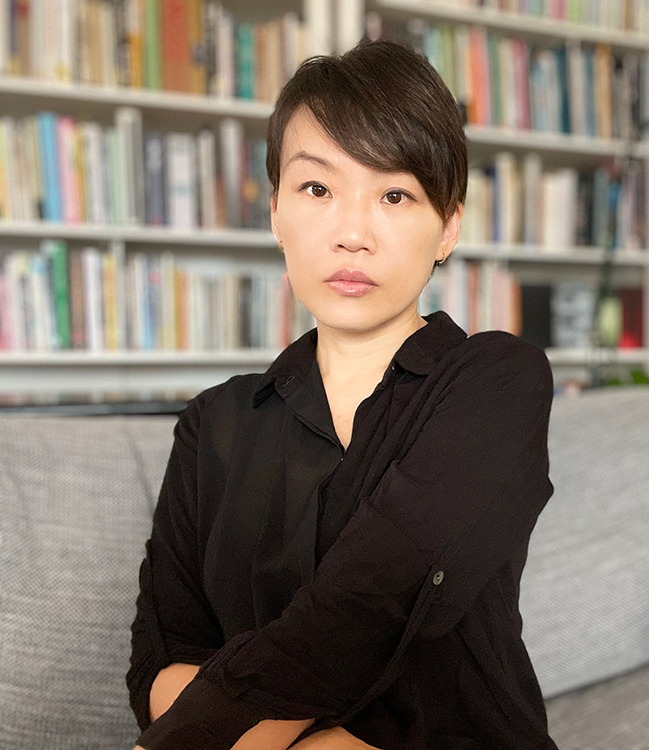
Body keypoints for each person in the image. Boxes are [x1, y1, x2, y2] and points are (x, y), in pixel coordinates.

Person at [126, 40, 557, 750]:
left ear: (448, 227)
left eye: (395, 195)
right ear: (275, 212)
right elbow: (159, 666)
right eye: (318, 190)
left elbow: (369, 604)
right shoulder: (213, 423)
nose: (353, 235)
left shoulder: (497, 381)